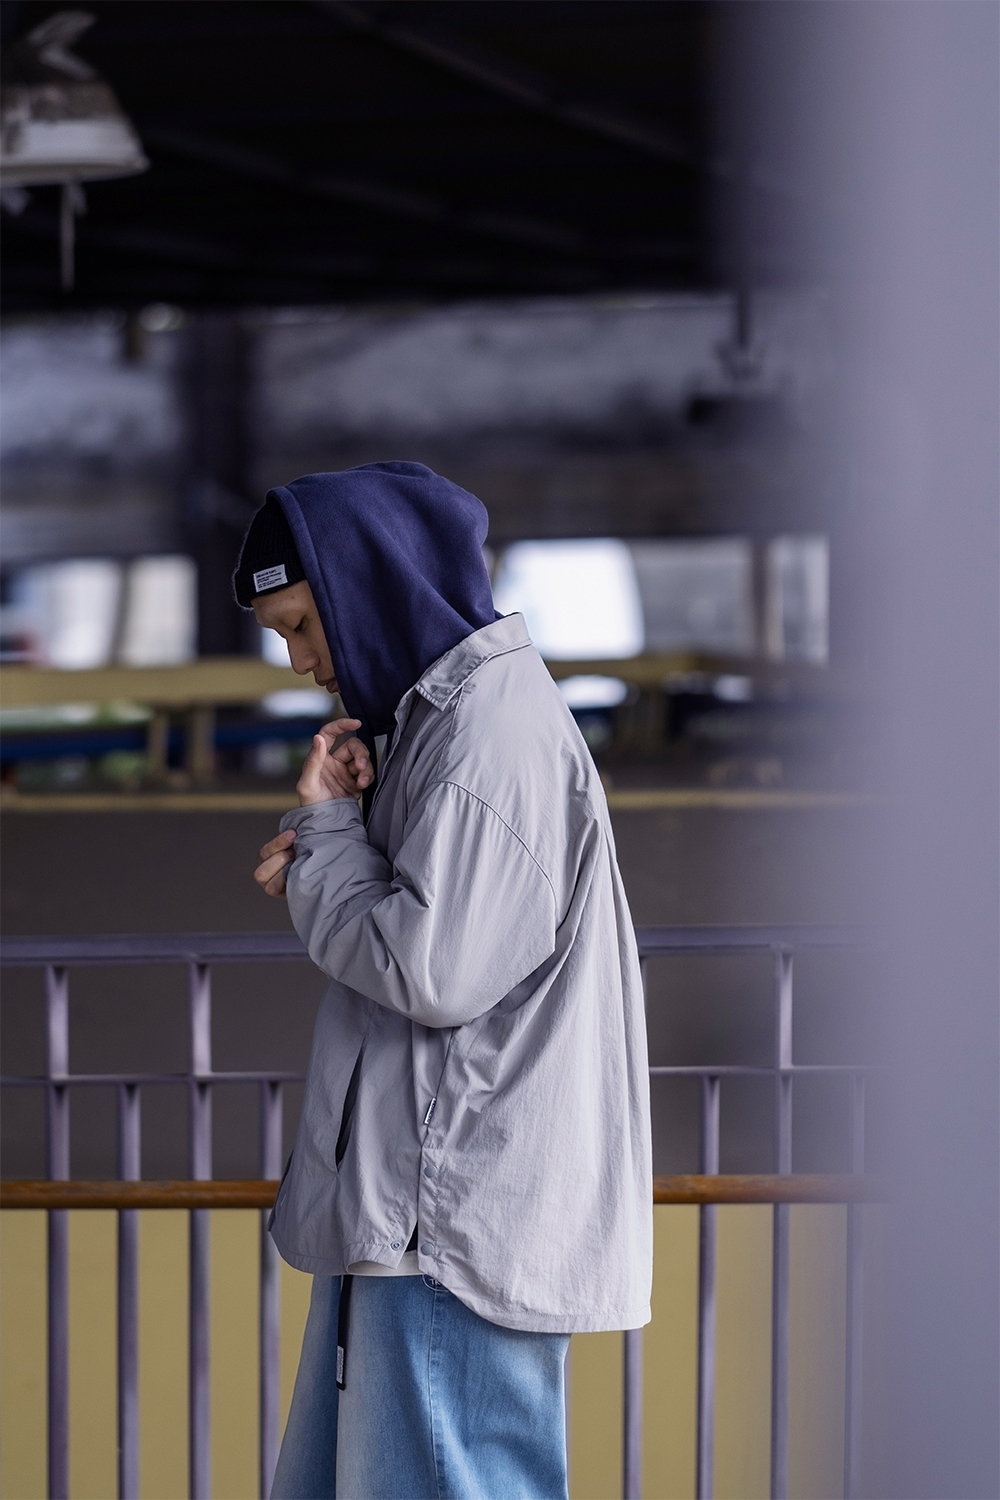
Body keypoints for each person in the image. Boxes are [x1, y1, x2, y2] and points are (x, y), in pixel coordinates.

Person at [235, 462, 652, 1500]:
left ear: (363, 588)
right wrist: (340, 830)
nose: (300, 663)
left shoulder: (489, 738)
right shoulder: (442, 726)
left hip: (449, 1224)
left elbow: (430, 970)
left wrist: (329, 846)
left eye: (302, 626)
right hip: (419, 1209)